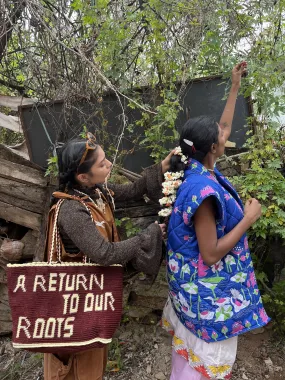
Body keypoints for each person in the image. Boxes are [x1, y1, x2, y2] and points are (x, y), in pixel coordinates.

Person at [160, 62, 270, 380]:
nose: (225, 136)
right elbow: (210, 254)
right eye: (221, 137)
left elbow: (222, 126)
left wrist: (234, 86)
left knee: (188, 355)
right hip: (204, 291)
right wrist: (248, 218)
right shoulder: (204, 193)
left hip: (186, 283)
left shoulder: (189, 168)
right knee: (205, 362)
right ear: (212, 148)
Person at [43, 134, 172, 380]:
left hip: (93, 298)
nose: (110, 164)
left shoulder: (97, 191)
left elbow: (133, 189)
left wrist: (162, 167)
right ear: (83, 177)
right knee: (75, 362)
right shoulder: (72, 210)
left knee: (94, 357)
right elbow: (104, 253)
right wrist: (148, 236)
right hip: (73, 304)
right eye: (102, 163)